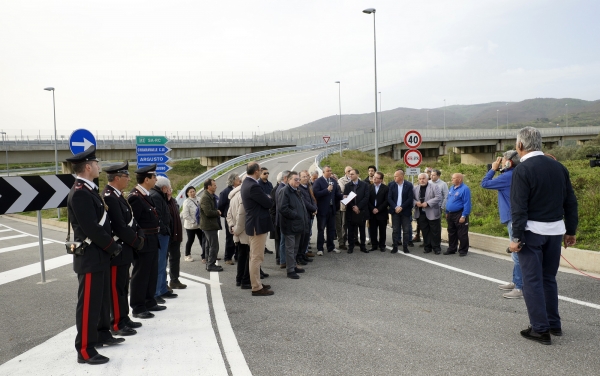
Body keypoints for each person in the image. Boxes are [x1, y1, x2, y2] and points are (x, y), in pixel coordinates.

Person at [509, 126, 578, 345]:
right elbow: (570, 201)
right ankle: (553, 324)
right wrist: (571, 230)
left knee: (532, 281)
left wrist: (516, 238)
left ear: (520, 145)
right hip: (556, 232)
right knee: (548, 278)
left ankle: (540, 329)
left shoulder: (523, 169)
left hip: (532, 232)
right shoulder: (558, 167)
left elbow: (519, 207)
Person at [67, 146, 123, 365]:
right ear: (88, 167)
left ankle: (99, 335)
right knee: (89, 305)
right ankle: (85, 350)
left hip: (98, 256)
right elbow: (91, 228)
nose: (100, 166)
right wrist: (112, 247)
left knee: (99, 303)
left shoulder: (88, 190)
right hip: (90, 257)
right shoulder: (80, 192)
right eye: (97, 163)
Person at [102, 162, 145, 338]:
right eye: (126, 176)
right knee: (116, 288)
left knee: (123, 286)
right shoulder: (110, 196)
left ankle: (124, 317)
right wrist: (136, 241)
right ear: (117, 178)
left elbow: (130, 220)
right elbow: (119, 226)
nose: (128, 179)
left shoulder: (118, 195)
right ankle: (117, 322)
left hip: (125, 249)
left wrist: (139, 233)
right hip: (118, 250)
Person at [481, 150, 522, 299]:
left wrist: (493, 169)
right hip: (517, 216)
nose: (501, 162)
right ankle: (516, 281)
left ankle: (519, 287)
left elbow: (484, 183)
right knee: (517, 254)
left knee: (517, 254)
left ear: (509, 162)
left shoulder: (507, 176)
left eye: (503, 160)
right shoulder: (516, 174)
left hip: (513, 218)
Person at [128, 164, 166, 319]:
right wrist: (139, 240)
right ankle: (138, 306)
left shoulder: (146, 194)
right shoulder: (135, 197)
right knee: (141, 274)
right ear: (146, 179)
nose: (156, 179)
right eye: (154, 177)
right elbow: (134, 222)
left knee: (151, 273)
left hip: (152, 239)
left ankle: (149, 301)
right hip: (144, 240)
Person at [241, 161, 274, 296]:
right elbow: (268, 202)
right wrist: (268, 197)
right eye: (260, 170)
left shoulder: (246, 183)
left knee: (254, 256)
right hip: (257, 224)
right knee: (256, 257)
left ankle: (257, 282)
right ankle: (256, 287)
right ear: (256, 172)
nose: (261, 172)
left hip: (254, 223)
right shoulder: (254, 186)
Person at [278, 171, 310, 279]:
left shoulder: (297, 191)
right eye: (295, 179)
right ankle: (290, 270)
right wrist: (296, 215)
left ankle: (293, 265)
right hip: (290, 225)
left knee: (295, 247)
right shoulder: (285, 191)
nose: (298, 181)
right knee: (290, 248)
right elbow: (283, 208)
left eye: (298, 179)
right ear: (288, 179)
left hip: (298, 225)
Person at [150, 176, 177, 302]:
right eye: (168, 188)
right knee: (159, 265)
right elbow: (159, 217)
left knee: (162, 264)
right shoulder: (156, 196)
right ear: (164, 187)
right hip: (161, 234)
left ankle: (162, 289)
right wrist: (165, 229)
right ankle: (156, 292)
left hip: (163, 233)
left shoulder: (159, 195)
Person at [312, 165, 343, 256]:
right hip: (322, 210)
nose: (330, 172)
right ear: (323, 172)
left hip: (332, 208)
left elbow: (336, 193)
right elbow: (316, 194)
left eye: (331, 170)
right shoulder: (318, 182)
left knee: (331, 229)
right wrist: (327, 190)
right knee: (321, 229)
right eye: (328, 171)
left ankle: (331, 247)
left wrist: (343, 196)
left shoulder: (333, 181)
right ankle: (320, 248)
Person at [227, 180, 251, 289]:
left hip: (237, 230)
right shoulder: (243, 195)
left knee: (241, 255)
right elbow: (241, 215)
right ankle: (245, 280)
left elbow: (229, 214)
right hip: (244, 231)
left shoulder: (233, 195)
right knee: (247, 256)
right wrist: (237, 229)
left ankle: (239, 278)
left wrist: (232, 226)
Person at [413, 173, 442, 254]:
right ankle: (427, 247)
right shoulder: (415, 188)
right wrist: (416, 203)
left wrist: (428, 203)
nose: (422, 180)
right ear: (418, 180)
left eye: (423, 178)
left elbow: (438, 197)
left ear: (427, 179)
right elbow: (412, 199)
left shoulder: (434, 187)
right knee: (425, 231)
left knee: (435, 231)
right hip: (421, 213)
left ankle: (436, 248)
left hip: (432, 212)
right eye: (420, 179)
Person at [444, 173, 471, 257]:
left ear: (459, 179)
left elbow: (467, 203)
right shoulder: (452, 188)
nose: (452, 179)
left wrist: (464, 215)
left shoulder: (465, 189)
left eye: (454, 178)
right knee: (451, 232)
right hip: (451, 213)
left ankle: (463, 250)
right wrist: (447, 211)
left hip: (460, 213)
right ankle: (452, 248)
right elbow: (449, 200)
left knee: (462, 233)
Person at [388, 168, 414, 254]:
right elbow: (389, 198)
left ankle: (405, 247)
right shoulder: (391, 185)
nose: (394, 178)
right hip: (395, 211)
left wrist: (401, 207)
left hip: (405, 211)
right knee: (395, 230)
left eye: (396, 176)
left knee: (406, 230)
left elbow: (410, 198)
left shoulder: (409, 185)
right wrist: (395, 207)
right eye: (394, 176)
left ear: (401, 176)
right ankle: (395, 246)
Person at [343, 169, 369, 254]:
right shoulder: (347, 186)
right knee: (350, 230)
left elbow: (366, 197)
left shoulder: (364, 185)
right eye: (350, 174)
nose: (350, 176)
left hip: (361, 211)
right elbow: (346, 198)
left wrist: (358, 207)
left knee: (362, 230)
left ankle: (363, 246)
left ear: (357, 175)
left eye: (352, 174)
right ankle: (351, 246)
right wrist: (353, 207)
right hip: (351, 211)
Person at [200, 178, 223, 272]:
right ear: (209, 187)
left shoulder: (210, 196)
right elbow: (208, 212)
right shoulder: (205, 197)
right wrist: (217, 212)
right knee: (214, 246)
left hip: (210, 224)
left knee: (209, 245)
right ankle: (211, 265)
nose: (216, 186)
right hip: (209, 225)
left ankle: (209, 263)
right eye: (214, 185)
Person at [166, 186, 186, 290]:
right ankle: (163, 283)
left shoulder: (173, 201)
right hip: (166, 234)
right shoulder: (161, 201)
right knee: (163, 260)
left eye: (170, 189)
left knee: (175, 258)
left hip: (175, 234)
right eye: (168, 190)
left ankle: (174, 280)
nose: (170, 192)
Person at [218, 173, 241, 265]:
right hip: (230, 218)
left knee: (239, 237)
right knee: (230, 238)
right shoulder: (225, 192)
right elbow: (220, 206)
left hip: (239, 217)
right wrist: (227, 216)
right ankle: (228, 257)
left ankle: (237, 255)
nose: (239, 180)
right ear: (232, 181)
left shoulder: (239, 190)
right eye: (238, 178)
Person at [368, 171, 389, 252]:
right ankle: (374, 245)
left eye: (376, 178)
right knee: (373, 230)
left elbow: (386, 201)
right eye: (374, 177)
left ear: (381, 179)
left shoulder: (386, 188)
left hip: (382, 212)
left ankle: (382, 245)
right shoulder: (369, 187)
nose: (374, 179)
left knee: (382, 230)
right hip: (372, 212)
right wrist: (372, 208)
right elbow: (367, 200)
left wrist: (378, 209)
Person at [181, 186, 203, 262]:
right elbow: (185, 215)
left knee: (202, 239)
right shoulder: (186, 202)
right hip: (190, 226)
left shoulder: (199, 199)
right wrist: (193, 221)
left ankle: (205, 254)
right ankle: (187, 255)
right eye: (190, 192)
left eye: (193, 191)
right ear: (187, 193)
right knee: (191, 239)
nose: (192, 193)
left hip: (199, 225)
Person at [298, 170, 317, 259]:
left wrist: (315, 208)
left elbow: (312, 199)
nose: (306, 178)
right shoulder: (299, 189)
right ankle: (301, 255)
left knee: (307, 236)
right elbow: (304, 202)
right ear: (299, 178)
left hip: (310, 214)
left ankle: (304, 254)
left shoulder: (307, 187)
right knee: (303, 237)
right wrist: (313, 208)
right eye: (304, 177)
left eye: (306, 176)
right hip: (304, 216)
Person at [274, 170, 290, 267]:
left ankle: (283, 260)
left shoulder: (283, 187)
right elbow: (282, 207)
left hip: (282, 219)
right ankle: (283, 261)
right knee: (283, 241)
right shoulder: (282, 189)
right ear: (285, 178)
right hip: (283, 219)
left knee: (283, 241)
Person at [335, 166, 352, 250]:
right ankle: (343, 241)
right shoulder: (341, 180)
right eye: (348, 171)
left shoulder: (357, 178)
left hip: (354, 204)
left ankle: (354, 239)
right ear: (345, 172)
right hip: (344, 205)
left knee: (354, 223)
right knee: (344, 224)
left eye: (351, 171)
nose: (350, 172)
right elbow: (342, 189)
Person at [258, 167, 274, 255]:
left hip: (269, 210)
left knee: (266, 231)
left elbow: (272, 195)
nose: (267, 174)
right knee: (261, 230)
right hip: (261, 210)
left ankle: (264, 246)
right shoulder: (258, 184)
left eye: (268, 173)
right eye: (265, 173)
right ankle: (260, 247)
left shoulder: (269, 184)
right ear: (260, 174)